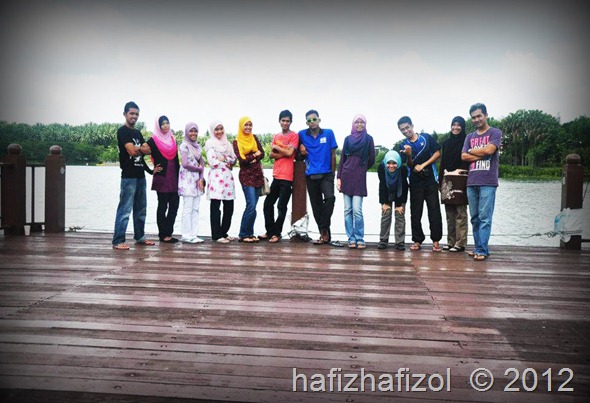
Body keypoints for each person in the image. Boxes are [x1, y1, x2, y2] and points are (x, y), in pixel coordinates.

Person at [112, 101, 156, 250]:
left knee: (141, 208)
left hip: (140, 176)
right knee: (125, 209)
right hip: (128, 177)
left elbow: (148, 151)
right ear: (125, 114)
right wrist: (140, 148)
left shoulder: (137, 133)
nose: (134, 116)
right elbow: (131, 151)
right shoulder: (122, 131)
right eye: (131, 113)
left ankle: (140, 237)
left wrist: (150, 170)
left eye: (136, 114)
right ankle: (118, 241)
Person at [461, 103, 502, 261]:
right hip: (472, 182)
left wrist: (473, 151)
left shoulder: (495, 132)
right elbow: (463, 157)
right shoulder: (469, 137)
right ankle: (478, 247)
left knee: (485, 217)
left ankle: (482, 250)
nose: (477, 119)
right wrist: (481, 153)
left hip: (488, 182)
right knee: (475, 217)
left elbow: (490, 151)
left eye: (479, 116)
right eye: (473, 117)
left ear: (485, 115)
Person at [398, 116, 443, 252]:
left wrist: (423, 165)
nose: (406, 131)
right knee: (415, 212)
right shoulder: (403, 145)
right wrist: (409, 155)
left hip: (430, 180)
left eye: (407, 127)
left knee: (434, 210)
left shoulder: (426, 138)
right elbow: (409, 164)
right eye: (402, 130)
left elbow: (437, 153)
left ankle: (436, 240)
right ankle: (417, 240)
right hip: (415, 181)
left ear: (412, 125)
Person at [298, 109, 338, 245]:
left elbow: (333, 154)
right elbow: (296, 152)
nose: (312, 122)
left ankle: (324, 227)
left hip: (326, 174)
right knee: (316, 205)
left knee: (330, 199)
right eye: (309, 120)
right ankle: (324, 234)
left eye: (314, 119)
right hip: (310, 174)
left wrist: (333, 173)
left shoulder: (328, 133)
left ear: (319, 120)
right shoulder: (302, 134)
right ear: (306, 123)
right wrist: (301, 147)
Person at [337, 114, 375, 249]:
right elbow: (342, 160)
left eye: (362, 122)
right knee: (347, 210)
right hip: (346, 176)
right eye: (357, 122)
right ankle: (351, 238)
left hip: (359, 178)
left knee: (357, 210)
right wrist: (339, 178)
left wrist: (362, 168)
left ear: (365, 124)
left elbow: (372, 159)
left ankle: (359, 238)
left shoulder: (369, 139)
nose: (359, 124)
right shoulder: (347, 139)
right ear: (353, 124)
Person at [261, 110, 299, 243]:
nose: (285, 123)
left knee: (281, 206)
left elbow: (290, 154)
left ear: (291, 122)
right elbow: (271, 155)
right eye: (283, 120)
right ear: (279, 121)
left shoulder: (294, 136)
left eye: (287, 121)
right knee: (268, 203)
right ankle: (270, 231)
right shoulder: (276, 136)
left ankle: (277, 233)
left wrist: (280, 149)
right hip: (276, 176)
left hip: (287, 177)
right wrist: (286, 151)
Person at [147, 115, 181, 243]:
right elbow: (138, 153)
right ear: (158, 126)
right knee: (162, 205)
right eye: (162, 124)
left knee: (174, 206)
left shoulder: (173, 139)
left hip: (174, 178)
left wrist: (180, 177)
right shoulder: (153, 140)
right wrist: (151, 170)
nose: (165, 126)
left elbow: (176, 159)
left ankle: (169, 232)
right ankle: (163, 234)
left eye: (167, 123)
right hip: (162, 178)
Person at [439, 116, 469, 252]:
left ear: (462, 127)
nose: (455, 128)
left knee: (460, 213)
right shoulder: (446, 143)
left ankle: (460, 243)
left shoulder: (466, 141)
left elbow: (467, 162)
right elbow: (442, 163)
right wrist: (440, 182)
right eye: (453, 125)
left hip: (461, 179)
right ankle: (450, 242)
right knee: (449, 214)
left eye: (459, 125)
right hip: (447, 179)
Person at [232, 116, 265, 243]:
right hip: (246, 176)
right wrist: (254, 155)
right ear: (241, 126)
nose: (248, 127)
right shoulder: (237, 142)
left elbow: (262, 153)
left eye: (250, 125)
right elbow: (242, 160)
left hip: (257, 175)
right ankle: (243, 234)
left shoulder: (254, 138)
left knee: (254, 206)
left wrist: (253, 157)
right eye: (246, 125)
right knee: (250, 204)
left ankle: (250, 233)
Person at [205, 120, 237, 244]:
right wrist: (225, 160)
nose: (219, 132)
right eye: (216, 129)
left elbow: (234, 159)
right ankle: (216, 235)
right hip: (216, 179)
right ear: (213, 131)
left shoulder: (228, 144)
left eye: (221, 129)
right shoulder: (210, 143)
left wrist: (223, 158)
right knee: (215, 207)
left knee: (229, 207)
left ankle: (224, 232)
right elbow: (212, 162)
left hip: (227, 178)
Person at [178, 122, 205, 243]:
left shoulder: (198, 147)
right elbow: (184, 164)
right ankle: (186, 235)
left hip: (196, 180)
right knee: (188, 207)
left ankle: (194, 234)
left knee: (196, 208)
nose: (193, 133)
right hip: (187, 179)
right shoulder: (184, 145)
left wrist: (201, 178)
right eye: (191, 131)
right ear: (187, 132)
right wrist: (198, 169)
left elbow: (202, 163)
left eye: (195, 131)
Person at [377, 150, 408, 250]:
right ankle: (383, 240)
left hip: (400, 192)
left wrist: (399, 205)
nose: (391, 166)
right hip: (386, 191)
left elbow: (404, 186)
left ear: (398, 163)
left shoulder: (403, 169)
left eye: (394, 163)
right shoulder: (381, 168)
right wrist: (384, 203)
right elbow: (382, 185)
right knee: (386, 213)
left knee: (400, 214)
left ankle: (400, 242)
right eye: (389, 163)